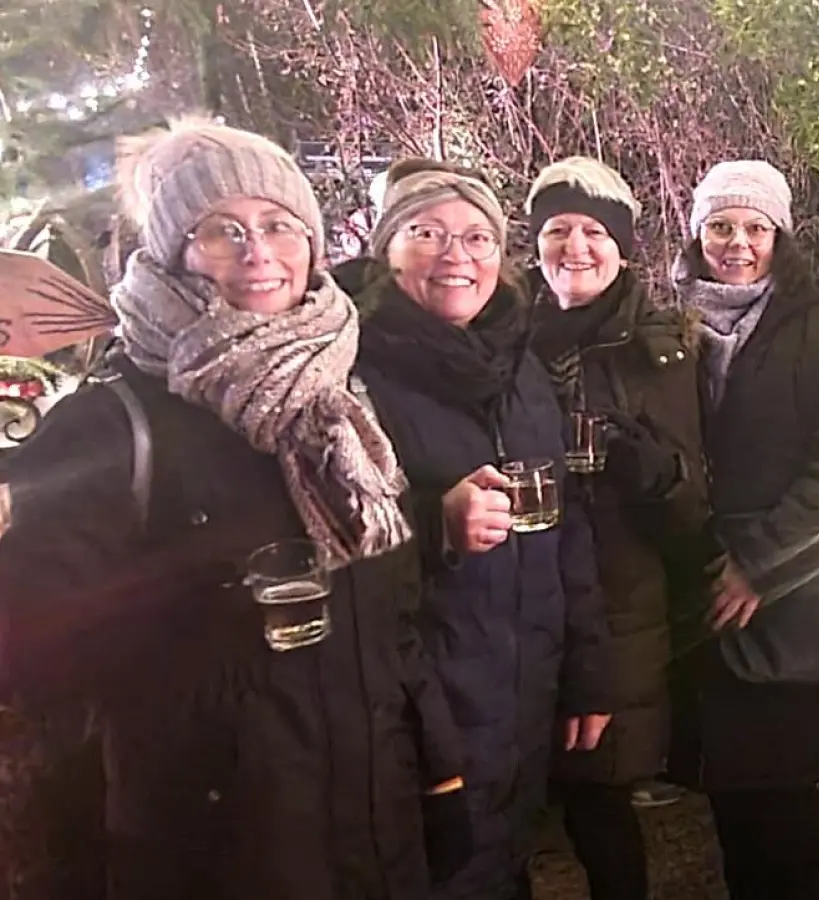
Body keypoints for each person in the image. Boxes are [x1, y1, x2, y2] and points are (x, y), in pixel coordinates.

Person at [0, 118, 468, 900]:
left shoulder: (340, 404)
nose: (259, 251)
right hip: (214, 845)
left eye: (281, 224)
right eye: (222, 230)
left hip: (372, 826)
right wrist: (200, 605)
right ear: (172, 253)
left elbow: (394, 621)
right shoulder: (116, 424)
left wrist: (439, 775)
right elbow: (30, 655)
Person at [332, 159, 613, 900]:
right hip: (416, 705)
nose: (457, 256)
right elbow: (312, 545)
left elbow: (567, 524)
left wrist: (586, 668)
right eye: (428, 234)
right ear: (388, 248)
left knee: (505, 858)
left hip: (522, 681)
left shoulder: (518, 361)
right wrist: (435, 525)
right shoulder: (350, 368)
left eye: (479, 238)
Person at [664, 160, 819, 900]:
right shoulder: (666, 327)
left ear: (779, 237)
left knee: (788, 809)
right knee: (729, 803)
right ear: (697, 235)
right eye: (721, 227)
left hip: (793, 597)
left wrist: (761, 562)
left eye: (755, 228)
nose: (737, 243)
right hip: (700, 591)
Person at [523, 156, 717, 900]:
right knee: (519, 799)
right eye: (559, 230)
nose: (576, 247)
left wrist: (650, 471)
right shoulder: (507, 338)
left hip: (620, 602)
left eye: (594, 233)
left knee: (600, 798)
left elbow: (695, 506)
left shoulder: (664, 347)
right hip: (523, 597)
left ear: (624, 248)